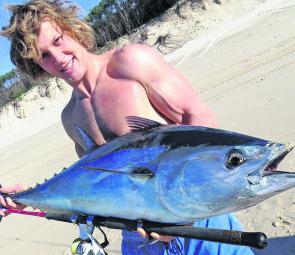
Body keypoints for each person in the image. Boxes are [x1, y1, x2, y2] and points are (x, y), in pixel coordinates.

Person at [0, 1, 254, 254]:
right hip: (139, 236)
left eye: (58, 41)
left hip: (198, 223)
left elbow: (198, 118)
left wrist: (184, 214)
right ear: (36, 65)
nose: (58, 58)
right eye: (43, 55)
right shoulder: (71, 116)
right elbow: (95, 184)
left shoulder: (130, 62)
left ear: (72, 29)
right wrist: (27, 196)